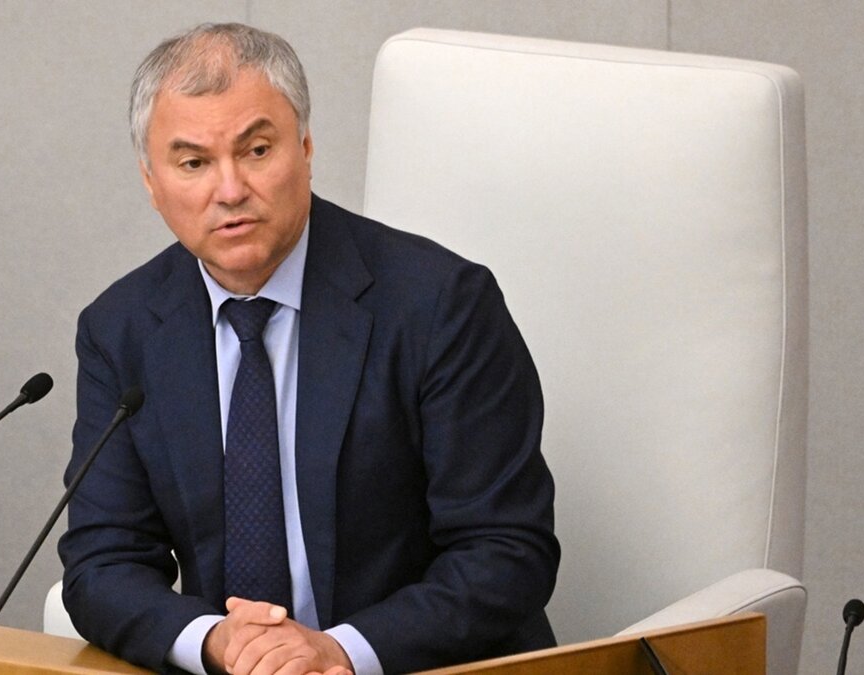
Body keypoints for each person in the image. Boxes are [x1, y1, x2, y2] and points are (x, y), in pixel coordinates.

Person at [58, 22, 559, 675]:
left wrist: (339, 650)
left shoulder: (440, 305)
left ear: (306, 147)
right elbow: (102, 563)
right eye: (194, 163)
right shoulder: (121, 329)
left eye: (257, 150)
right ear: (152, 183)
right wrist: (217, 642)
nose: (230, 190)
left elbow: (507, 550)